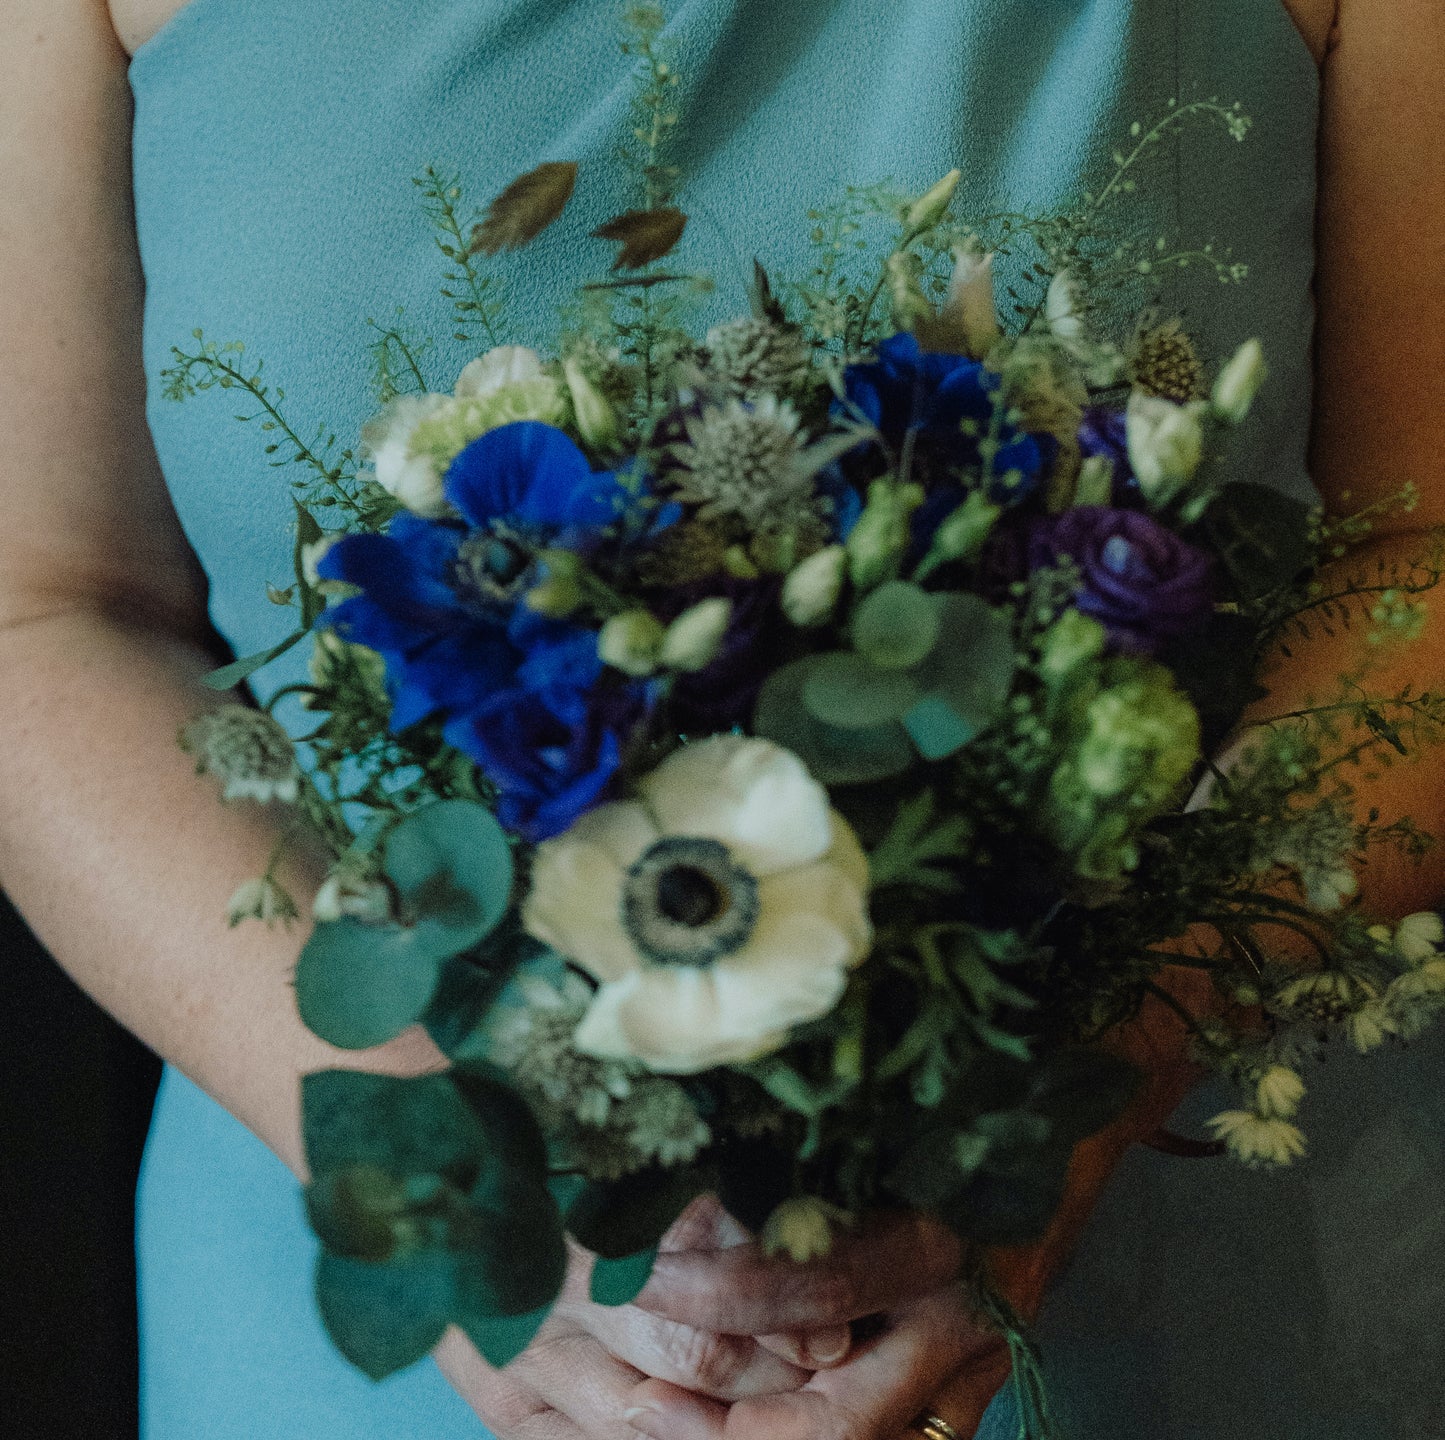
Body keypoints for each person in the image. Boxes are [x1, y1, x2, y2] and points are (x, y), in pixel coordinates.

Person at [1, 0, 1441, 1437]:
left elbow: (1418, 556)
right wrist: (440, 1176)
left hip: (1144, 1265)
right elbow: (43, 611)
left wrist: (1098, 1077)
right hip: (367, 1215)